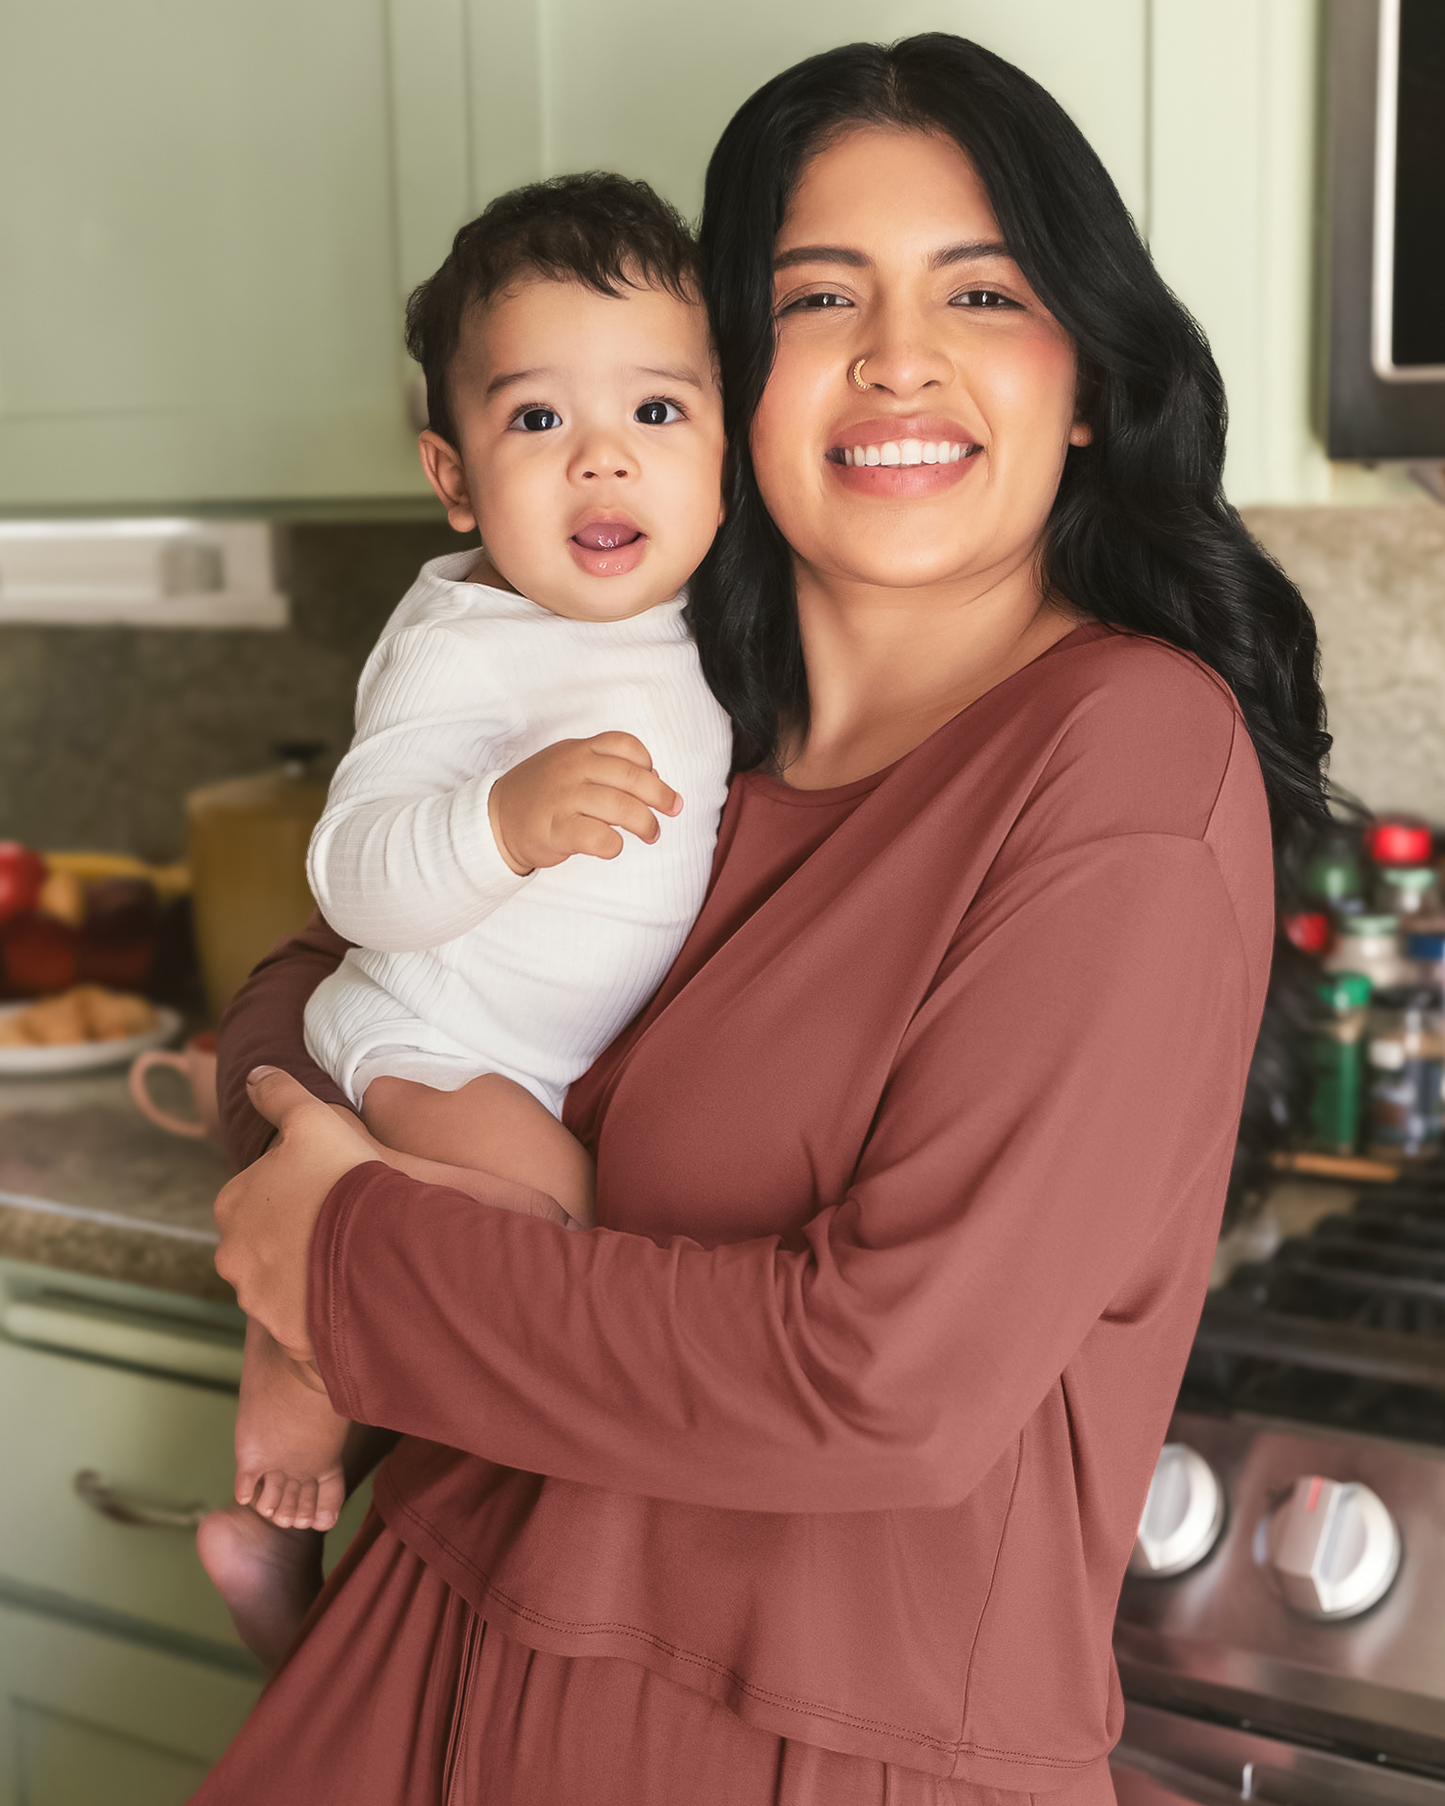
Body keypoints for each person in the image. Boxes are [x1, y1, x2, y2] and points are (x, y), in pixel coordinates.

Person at [195, 32, 1328, 1806]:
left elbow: (883, 1385)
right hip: (427, 1648)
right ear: (734, 374)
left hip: (803, 1754)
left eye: (984, 288)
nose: (899, 356)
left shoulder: (1124, 754)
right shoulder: (677, 709)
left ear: (1089, 378)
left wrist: (338, 1250)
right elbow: (313, 973)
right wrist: (290, 1133)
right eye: (820, 295)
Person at [195, 174, 731, 1663]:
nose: (603, 460)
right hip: (434, 1034)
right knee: (547, 1220)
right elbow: (352, 876)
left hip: (507, 1047)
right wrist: (500, 819)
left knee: (516, 1243)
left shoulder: (679, 623)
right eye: (539, 422)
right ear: (454, 476)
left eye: (659, 415)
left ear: (728, 452)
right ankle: (284, 1399)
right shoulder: (467, 644)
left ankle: (299, 1462)